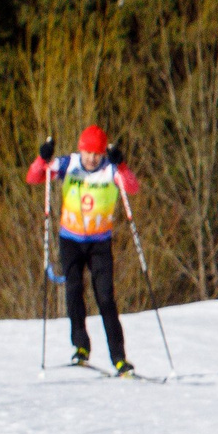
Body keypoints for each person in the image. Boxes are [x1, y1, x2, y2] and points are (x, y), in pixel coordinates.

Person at [26, 124, 139, 375]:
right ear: (81, 150)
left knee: (106, 298)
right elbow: (34, 176)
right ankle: (81, 347)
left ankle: (119, 358)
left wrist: (122, 165)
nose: (92, 158)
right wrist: (42, 157)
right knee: (74, 290)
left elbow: (131, 187)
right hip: (71, 240)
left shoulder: (110, 169)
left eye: (97, 154)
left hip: (100, 243)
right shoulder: (69, 164)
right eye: (88, 153)